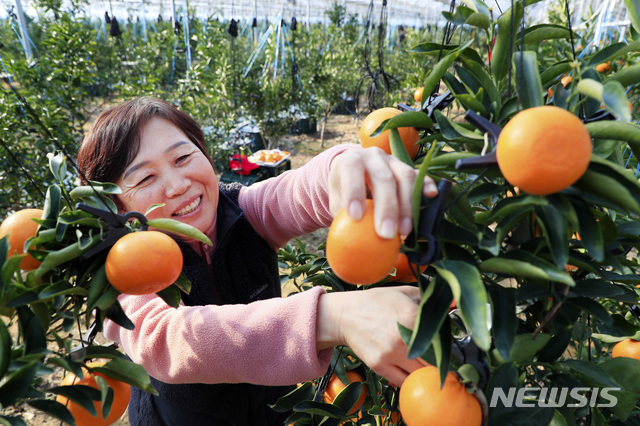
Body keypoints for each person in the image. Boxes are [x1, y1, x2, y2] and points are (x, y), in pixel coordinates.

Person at [76, 97, 438, 425]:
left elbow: (298, 190)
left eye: (183, 157)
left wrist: (345, 168)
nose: (177, 185)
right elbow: (163, 338)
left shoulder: (244, 211)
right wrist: (332, 317)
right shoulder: (121, 267)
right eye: (145, 178)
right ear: (117, 208)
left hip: (271, 409)